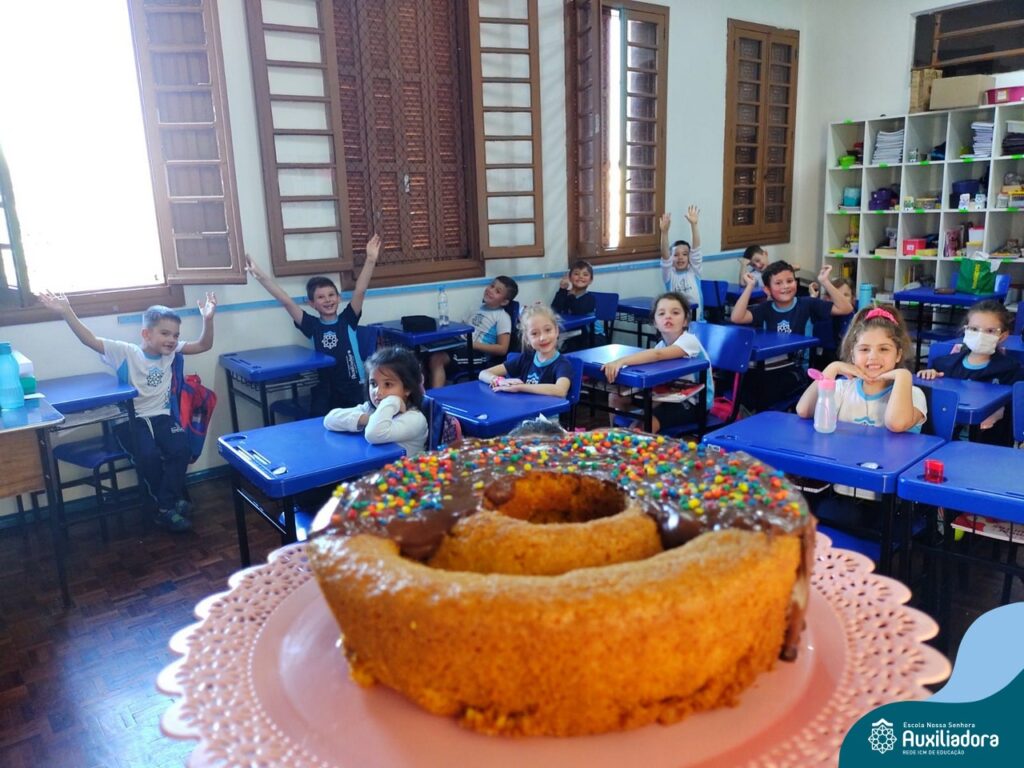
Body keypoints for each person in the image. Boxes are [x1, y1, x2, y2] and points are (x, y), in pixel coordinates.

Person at [37, 291, 218, 532]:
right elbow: (89, 339)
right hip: (129, 418)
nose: (172, 340)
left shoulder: (172, 352)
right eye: (165, 333)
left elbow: (205, 344)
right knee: (149, 455)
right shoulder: (126, 352)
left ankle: (164, 505)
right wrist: (66, 311)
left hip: (161, 416)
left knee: (182, 449)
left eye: (175, 335)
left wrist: (207, 318)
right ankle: (170, 504)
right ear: (146, 334)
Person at [796, 305, 927, 517]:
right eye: (864, 349)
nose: (873, 357)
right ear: (852, 354)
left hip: (888, 499)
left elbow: (896, 423)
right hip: (842, 488)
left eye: (884, 349)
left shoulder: (912, 393)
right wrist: (832, 369)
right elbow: (804, 410)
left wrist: (903, 375)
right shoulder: (841, 388)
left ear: (898, 354)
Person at [245, 234, 381, 416]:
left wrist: (370, 259)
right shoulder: (311, 325)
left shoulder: (348, 319)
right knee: (320, 424)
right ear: (312, 303)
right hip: (326, 390)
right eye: (321, 297)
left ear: (339, 298)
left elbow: (360, 290)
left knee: (360, 424)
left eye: (331, 295)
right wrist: (261, 276)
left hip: (354, 387)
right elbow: (285, 301)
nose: (327, 300)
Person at [731, 261, 853, 411]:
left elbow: (845, 308)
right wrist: (749, 286)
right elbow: (737, 317)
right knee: (748, 382)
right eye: (778, 283)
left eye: (790, 281)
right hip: (769, 367)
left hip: (797, 368)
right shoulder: (765, 309)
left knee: (765, 390)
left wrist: (825, 281)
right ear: (767, 290)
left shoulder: (808, 304)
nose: (785, 286)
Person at [600, 292, 713, 434]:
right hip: (667, 397)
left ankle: (632, 440)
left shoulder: (689, 341)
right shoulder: (661, 345)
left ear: (685, 321)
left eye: (675, 312)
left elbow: (657, 355)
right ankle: (616, 436)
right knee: (616, 397)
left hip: (694, 404)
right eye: (661, 313)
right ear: (654, 322)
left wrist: (620, 362)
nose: (668, 316)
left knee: (642, 425)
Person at [916, 299, 1022, 445]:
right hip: (943, 444)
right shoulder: (944, 365)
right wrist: (927, 377)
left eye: (990, 331)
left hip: (988, 448)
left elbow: (1014, 415)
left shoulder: (1011, 370)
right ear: (965, 330)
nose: (980, 335)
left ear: (1003, 336)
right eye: (974, 329)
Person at [323, 346, 428, 457]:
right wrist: (366, 419)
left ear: (407, 388)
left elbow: (373, 434)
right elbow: (330, 419)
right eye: (373, 384)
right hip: (376, 470)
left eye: (388, 384)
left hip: (404, 473)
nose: (377, 392)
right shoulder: (371, 409)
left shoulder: (415, 419)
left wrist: (392, 401)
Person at [428, 276, 519, 388]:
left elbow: (502, 349)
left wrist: (473, 344)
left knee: (437, 359)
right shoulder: (476, 308)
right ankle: (423, 396)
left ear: (504, 301)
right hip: (461, 346)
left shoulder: (502, 317)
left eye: (497, 291)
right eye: (491, 286)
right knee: (427, 353)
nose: (490, 290)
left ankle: (434, 401)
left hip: (477, 355)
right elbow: (461, 328)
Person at [479, 304, 573, 397]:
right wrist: (499, 380)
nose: (542, 338)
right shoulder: (526, 358)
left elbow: (560, 390)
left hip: (545, 412)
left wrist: (520, 387)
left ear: (556, 331)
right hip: (524, 408)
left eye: (548, 330)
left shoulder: (562, 364)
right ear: (527, 339)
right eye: (534, 333)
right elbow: (483, 374)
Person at [659, 206, 702, 319]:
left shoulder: (694, 271)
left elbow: (696, 250)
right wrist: (664, 232)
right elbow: (665, 257)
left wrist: (694, 225)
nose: (680, 258)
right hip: (677, 323)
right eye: (676, 255)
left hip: (696, 321)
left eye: (684, 254)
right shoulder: (669, 275)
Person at [551, 259, 602, 353]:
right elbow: (555, 309)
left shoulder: (590, 298)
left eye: (585, 274)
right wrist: (562, 289)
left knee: (568, 349)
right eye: (576, 274)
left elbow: (577, 310)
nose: (580, 277)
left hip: (593, 336)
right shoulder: (565, 294)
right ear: (570, 278)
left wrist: (571, 295)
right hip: (573, 333)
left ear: (591, 280)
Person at [808, 277, 855, 369]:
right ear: (827, 298)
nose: (841, 299)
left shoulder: (853, 317)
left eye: (845, 295)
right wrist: (813, 298)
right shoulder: (822, 313)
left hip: (844, 358)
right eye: (836, 295)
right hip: (821, 357)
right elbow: (811, 311)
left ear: (853, 298)